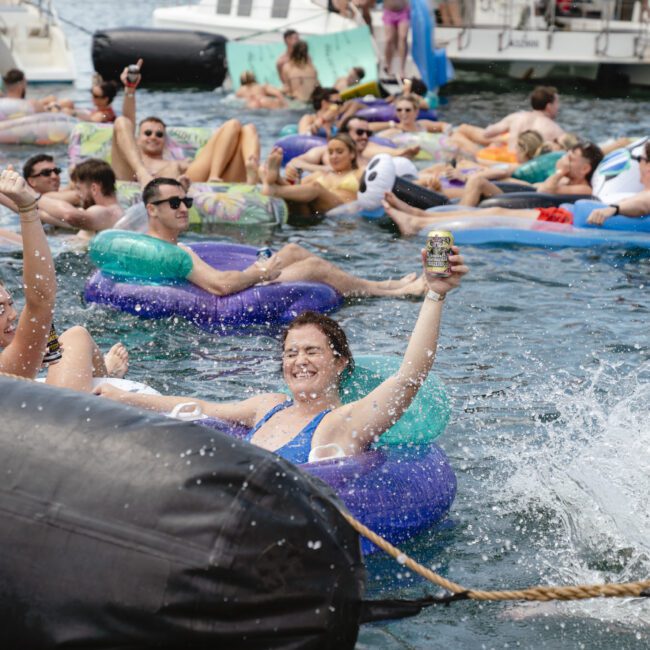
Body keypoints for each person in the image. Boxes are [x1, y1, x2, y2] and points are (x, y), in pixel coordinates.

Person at [94, 250, 467, 463]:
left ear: (339, 363)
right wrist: (123, 398)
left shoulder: (342, 423)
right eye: (290, 353)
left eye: (311, 351)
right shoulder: (268, 406)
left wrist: (435, 295)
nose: (298, 361)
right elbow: (198, 407)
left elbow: (409, 375)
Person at [143, 176, 423, 298]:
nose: (183, 208)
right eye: (174, 203)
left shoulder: (164, 246)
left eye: (186, 202)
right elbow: (219, 287)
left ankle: (383, 284)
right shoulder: (173, 253)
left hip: (223, 284)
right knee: (314, 268)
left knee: (292, 249)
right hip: (225, 297)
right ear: (152, 210)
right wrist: (259, 272)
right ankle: (390, 292)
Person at [0, 166, 128, 390]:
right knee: (76, 336)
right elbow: (41, 300)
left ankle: (106, 372)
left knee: (57, 340)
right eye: (0, 310)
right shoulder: (6, 369)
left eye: (10, 303)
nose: (12, 314)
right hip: (61, 420)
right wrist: (28, 208)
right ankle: (109, 374)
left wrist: (37, 344)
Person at [382, 142, 604, 235]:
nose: (564, 159)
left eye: (570, 158)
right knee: (481, 191)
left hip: (538, 209)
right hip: (524, 201)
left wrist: (558, 172)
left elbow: (546, 191)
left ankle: (419, 220)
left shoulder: (583, 190)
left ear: (585, 168)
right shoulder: (568, 181)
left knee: (493, 210)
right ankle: (418, 215)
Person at [0, 156, 123, 235]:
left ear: (94, 188)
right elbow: (41, 215)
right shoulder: (100, 216)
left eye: (79, 190)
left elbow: (69, 215)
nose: (79, 195)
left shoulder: (108, 212)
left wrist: (31, 193)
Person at [285, 115, 419, 178]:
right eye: (360, 132)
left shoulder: (369, 152)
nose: (365, 137)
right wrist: (326, 169)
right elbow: (295, 162)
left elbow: (394, 155)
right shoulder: (323, 151)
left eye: (368, 133)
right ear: (345, 133)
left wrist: (406, 152)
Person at [263, 134, 364, 217]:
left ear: (352, 154)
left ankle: (274, 189)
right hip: (311, 214)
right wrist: (289, 178)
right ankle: (276, 178)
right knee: (297, 195)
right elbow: (295, 189)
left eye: (339, 152)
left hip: (342, 208)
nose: (334, 156)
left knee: (316, 187)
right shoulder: (320, 174)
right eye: (330, 152)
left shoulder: (358, 173)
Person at [456, 86, 566, 155]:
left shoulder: (516, 117)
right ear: (548, 106)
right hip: (525, 165)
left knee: (458, 134)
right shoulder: (556, 130)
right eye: (557, 103)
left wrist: (503, 138)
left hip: (506, 158)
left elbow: (487, 133)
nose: (558, 107)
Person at [587, 140, 650, 225]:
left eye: (639, 159)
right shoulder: (637, 195)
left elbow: (644, 202)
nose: (638, 165)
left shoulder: (644, 197)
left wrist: (614, 209)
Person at [382, 0, 411, 79]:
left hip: (403, 11)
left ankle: (402, 69)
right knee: (389, 39)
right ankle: (388, 66)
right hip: (389, 11)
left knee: (403, 37)